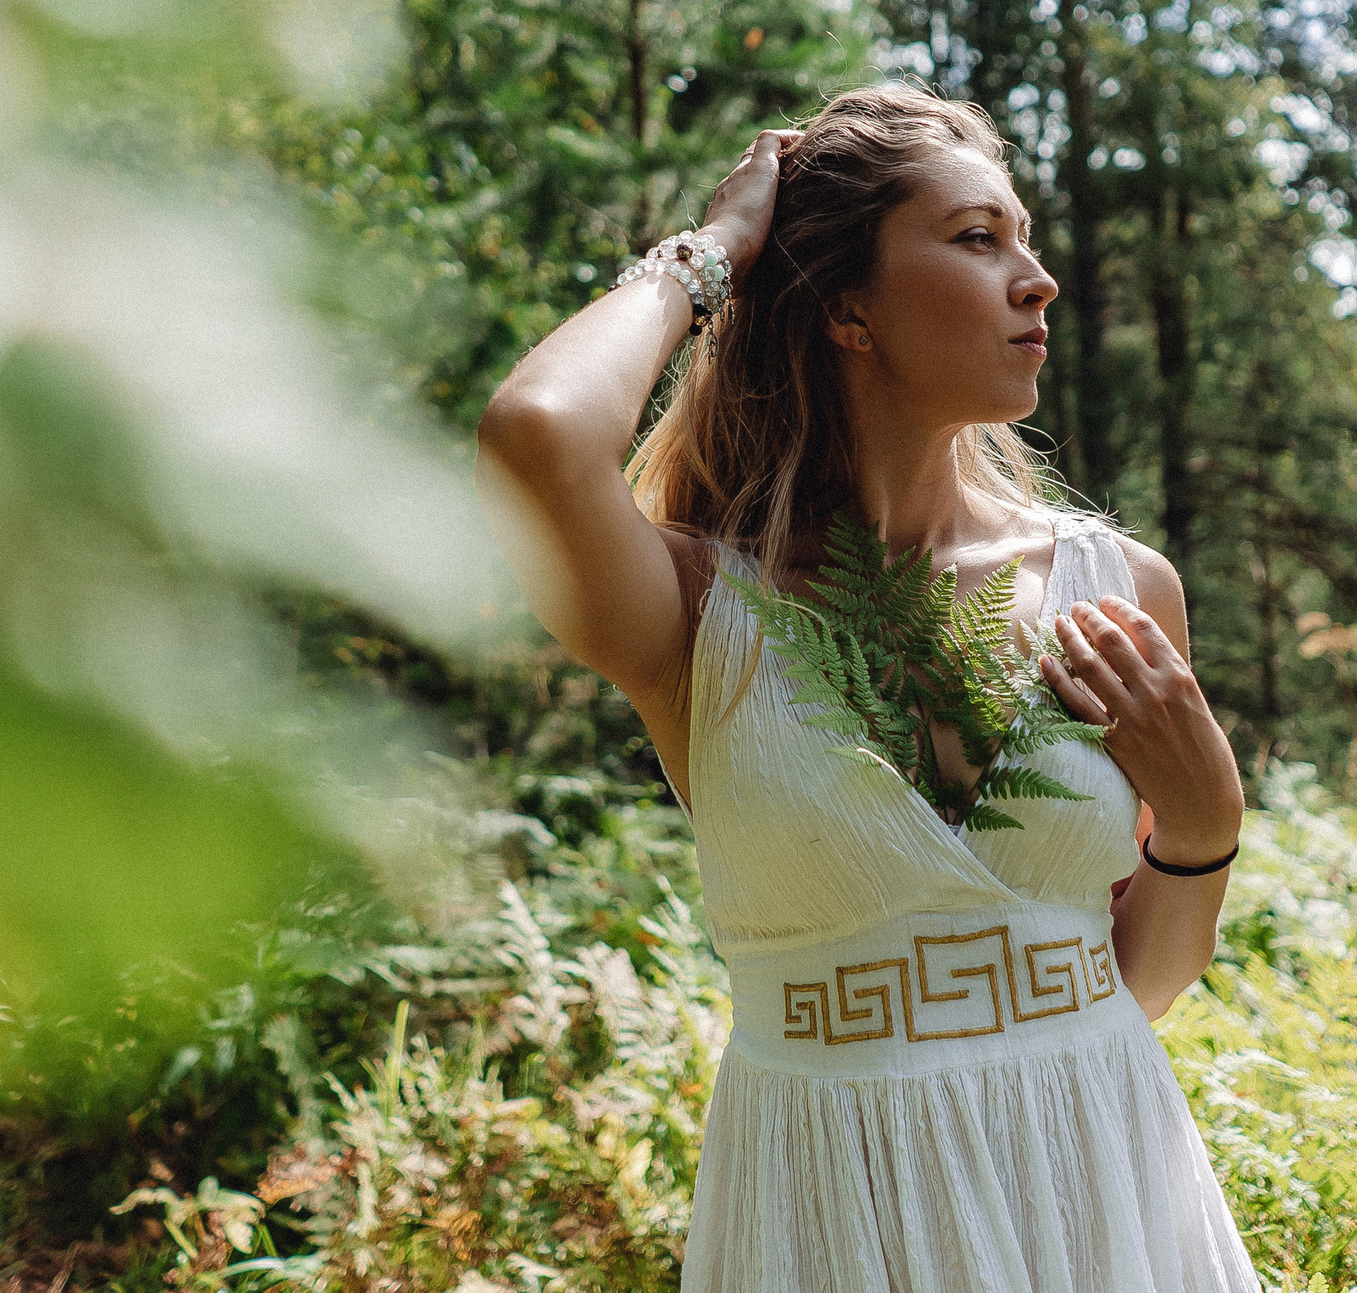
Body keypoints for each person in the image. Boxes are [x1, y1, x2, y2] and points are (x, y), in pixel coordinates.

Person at [477, 83, 1260, 1292]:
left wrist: (1205, 833)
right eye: (976, 238)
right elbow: (535, 434)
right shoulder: (693, 611)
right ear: (848, 308)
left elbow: (1122, 990)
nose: (1037, 278)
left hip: (1101, 1187)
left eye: (1028, 237)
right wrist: (712, 254)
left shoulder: (1116, 588)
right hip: (833, 1214)